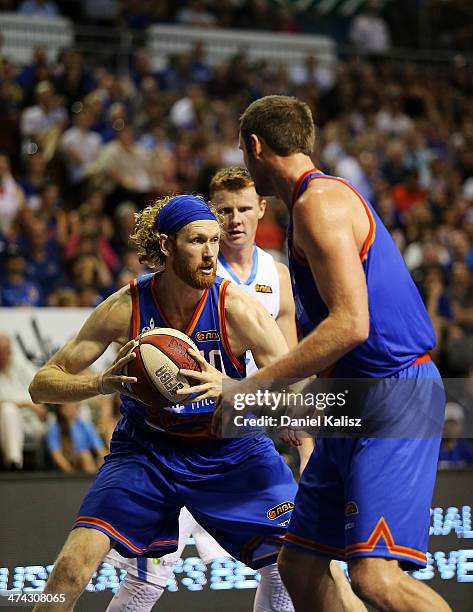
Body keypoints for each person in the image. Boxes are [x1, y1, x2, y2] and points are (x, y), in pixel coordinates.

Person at [220, 95, 450, 611]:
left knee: (376, 579)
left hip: (395, 393)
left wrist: (255, 387)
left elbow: (351, 323)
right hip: (353, 401)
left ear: (255, 148)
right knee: (299, 566)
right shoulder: (312, 206)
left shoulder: (317, 204)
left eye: (241, 150)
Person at [29, 194, 299, 612]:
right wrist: (101, 383)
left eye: (214, 241)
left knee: (301, 560)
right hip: (146, 450)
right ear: (166, 244)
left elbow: (296, 396)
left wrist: (231, 387)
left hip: (229, 448)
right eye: (197, 242)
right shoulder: (126, 306)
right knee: (69, 568)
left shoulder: (236, 307)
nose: (211, 254)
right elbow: (42, 384)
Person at [104, 168, 331, 612]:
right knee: (149, 576)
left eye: (244, 209)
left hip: (247, 434)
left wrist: (303, 437)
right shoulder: (189, 270)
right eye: (223, 211)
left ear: (261, 209)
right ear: (208, 215)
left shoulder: (276, 273)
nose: (234, 220)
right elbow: (145, 356)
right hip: (184, 435)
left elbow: (289, 359)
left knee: (289, 561)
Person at [0, 333, 47, 470]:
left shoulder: (19, 364)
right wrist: (26, 404)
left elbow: (40, 384)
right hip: (6, 418)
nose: (4, 356)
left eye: (7, 351)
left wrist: (41, 403)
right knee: (9, 410)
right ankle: (14, 462)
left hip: (32, 418)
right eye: (1, 352)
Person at [47, 402, 106, 474]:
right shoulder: (55, 428)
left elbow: (100, 448)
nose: (70, 408)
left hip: (89, 462)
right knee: (84, 455)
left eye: (72, 406)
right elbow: (57, 455)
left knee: (97, 457)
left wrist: (103, 460)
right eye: (67, 407)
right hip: (68, 466)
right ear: (60, 409)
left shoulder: (85, 425)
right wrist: (70, 472)